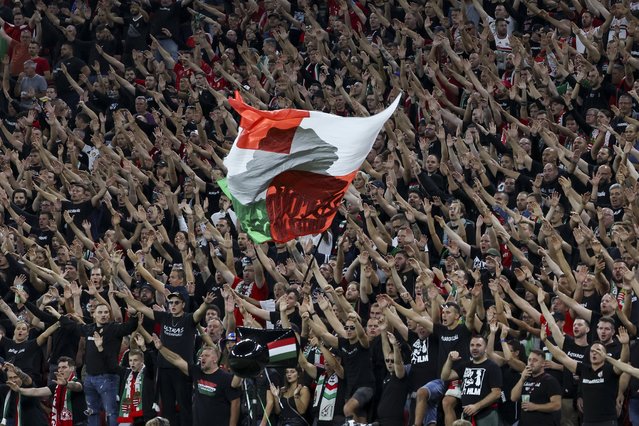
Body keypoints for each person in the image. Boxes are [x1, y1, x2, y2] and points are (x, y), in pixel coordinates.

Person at [542, 325, 630, 426]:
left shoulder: (610, 369)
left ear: (605, 355)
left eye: (598, 351)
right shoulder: (584, 369)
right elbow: (562, 357)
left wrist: (625, 345)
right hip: (587, 422)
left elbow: (624, 361)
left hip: (608, 421)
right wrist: (545, 341)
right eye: (592, 351)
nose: (594, 353)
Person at [151, 335, 241, 426]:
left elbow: (235, 402)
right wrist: (161, 348)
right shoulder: (197, 372)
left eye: (206, 355)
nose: (203, 357)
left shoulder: (226, 378)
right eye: (202, 355)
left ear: (215, 359)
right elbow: (176, 360)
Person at [441, 335, 503, 426]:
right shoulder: (466, 365)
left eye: (478, 345)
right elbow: (445, 376)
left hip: (486, 415)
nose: (474, 348)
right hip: (468, 416)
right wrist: (449, 360)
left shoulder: (492, 367)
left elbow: (496, 393)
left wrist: (476, 406)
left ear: (485, 348)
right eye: (472, 345)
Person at [510, 349, 562, 426]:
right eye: (529, 360)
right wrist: (522, 379)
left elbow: (557, 405)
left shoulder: (550, 380)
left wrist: (535, 407)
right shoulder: (525, 378)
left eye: (535, 360)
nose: (531, 363)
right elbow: (513, 398)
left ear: (543, 363)